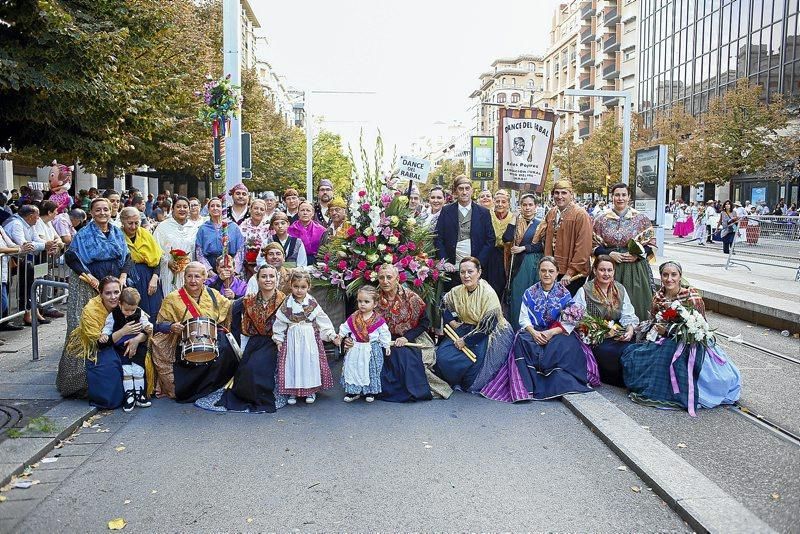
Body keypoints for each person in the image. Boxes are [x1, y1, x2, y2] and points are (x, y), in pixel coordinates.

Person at [621, 261, 742, 415]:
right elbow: (654, 320)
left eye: (673, 275)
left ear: (680, 277)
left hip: (690, 341)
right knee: (635, 355)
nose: (669, 279)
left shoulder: (692, 296)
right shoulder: (658, 296)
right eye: (665, 275)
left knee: (672, 357)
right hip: (662, 338)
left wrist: (670, 331)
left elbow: (700, 326)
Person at [481, 256, 597, 402]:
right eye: (543, 271)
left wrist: (551, 332)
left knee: (568, 342)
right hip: (534, 331)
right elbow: (523, 318)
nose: (546, 274)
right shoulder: (529, 292)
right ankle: (528, 387)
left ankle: (560, 382)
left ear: (557, 273)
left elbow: (569, 321)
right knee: (521, 340)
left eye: (550, 271)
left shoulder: (565, 294)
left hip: (555, 332)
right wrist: (533, 333)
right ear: (539, 272)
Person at [150, 261, 238, 402]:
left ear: (204, 278)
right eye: (189, 276)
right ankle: (192, 389)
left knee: (226, 348)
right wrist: (171, 326)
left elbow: (229, 309)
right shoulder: (172, 298)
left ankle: (214, 386)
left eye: (197, 276)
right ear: (184, 278)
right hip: (183, 344)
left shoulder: (213, 294)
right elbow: (159, 325)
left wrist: (243, 300)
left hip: (210, 341)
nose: (193, 280)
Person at [369, 263, 452, 401]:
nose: (385, 281)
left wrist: (407, 338)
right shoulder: (374, 299)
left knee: (405, 358)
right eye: (381, 277)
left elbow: (424, 323)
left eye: (389, 277)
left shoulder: (411, 297)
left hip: (412, 337)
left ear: (397, 278)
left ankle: (414, 390)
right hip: (383, 339)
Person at [434, 257, 514, 393]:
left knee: (471, 361)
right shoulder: (457, 291)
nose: (466, 276)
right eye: (462, 272)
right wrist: (452, 323)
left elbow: (487, 327)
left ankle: (464, 382)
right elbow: (442, 305)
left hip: (489, 333)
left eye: (470, 272)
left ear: (479, 272)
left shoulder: (488, 293)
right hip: (465, 328)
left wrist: (465, 341)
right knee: (442, 355)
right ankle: (452, 379)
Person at [216, 264, 287, 413]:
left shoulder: (285, 300)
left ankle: (259, 397)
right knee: (245, 369)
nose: (268, 280)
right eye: (264, 276)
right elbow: (235, 318)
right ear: (257, 279)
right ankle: (243, 395)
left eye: (271, 276)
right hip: (254, 341)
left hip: (275, 341)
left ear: (277, 278)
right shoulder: (248, 300)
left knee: (256, 369)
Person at [272, 269, 337, 405]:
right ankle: (292, 392)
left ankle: (310, 390)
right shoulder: (286, 304)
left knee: (309, 363)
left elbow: (322, 319)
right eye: (296, 287)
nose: (299, 290)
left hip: (309, 338)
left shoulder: (312, 304)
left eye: (303, 287)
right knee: (292, 363)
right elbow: (280, 322)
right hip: (292, 338)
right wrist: (278, 338)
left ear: (308, 287)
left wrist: (330, 334)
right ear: (291, 285)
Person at [592, 183, 655, 321]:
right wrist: (609, 254)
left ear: (629, 197)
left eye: (623, 195)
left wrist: (636, 255)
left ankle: (635, 330)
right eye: (617, 195)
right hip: (608, 267)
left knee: (635, 299)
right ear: (612, 197)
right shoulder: (601, 219)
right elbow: (593, 245)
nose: (620, 198)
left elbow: (650, 244)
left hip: (634, 269)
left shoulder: (641, 219)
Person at [572, 256, 638, 387]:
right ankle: (618, 379)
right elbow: (576, 317)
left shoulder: (620, 289)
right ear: (595, 270)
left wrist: (630, 330)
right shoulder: (585, 290)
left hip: (617, 332)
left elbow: (628, 314)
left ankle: (632, 379)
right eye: (602, 270)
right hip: (596, 337)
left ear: (614, 272)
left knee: (632, 349)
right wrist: (597, 330)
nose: (606, 274)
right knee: (611, 353)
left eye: (610, 270)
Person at [434, 176, 495, 290]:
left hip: (475, 268)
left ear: (472, 190)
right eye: (461, 188)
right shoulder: (446, 211)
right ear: (456, 191)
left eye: (467, 188)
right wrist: (444, 261)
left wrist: (478, 263)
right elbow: (438, 238)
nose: (464, 192)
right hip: (452, 267)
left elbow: (490, 239)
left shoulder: (483, 213)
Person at [98, 287, 153, 411]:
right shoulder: (114, 314)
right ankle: (129, 396)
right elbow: (108, 327)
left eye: (132, 310)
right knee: (126, 371)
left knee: (138, 370)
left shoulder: (139, 312)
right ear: (120, 304)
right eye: (126, 310)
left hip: (138, 346)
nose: (129, 313)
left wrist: (149, 327)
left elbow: (146, 323)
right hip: (121, 347)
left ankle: (140, 394)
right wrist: (104, 335)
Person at [335, 285, 390, 403]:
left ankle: (369, 391)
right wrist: (340, 336)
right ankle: (353, 391)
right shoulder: (354, 317)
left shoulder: (378, 320)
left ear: (375, 304)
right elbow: (345, 327)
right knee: (354, 369)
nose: (362, 304)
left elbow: (384, 332)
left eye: (366, 301)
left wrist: (386, 345)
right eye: (360, 301)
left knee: (370, 370)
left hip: (371, 348)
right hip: (356, 348)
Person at [542, 180, 592, 296]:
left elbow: (583, 247)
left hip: (573, 275)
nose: (559, 196)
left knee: (569, 309)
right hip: (553, 270)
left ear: (571, 194)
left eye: (564, 193)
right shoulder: (551, 213)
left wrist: (570, 272)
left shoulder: (580, 215)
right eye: (556, 193)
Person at [503, 194, 543, 329]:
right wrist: (514, 219)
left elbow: (542, 245)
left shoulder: (541, 224)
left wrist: (524, 248)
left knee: (533, 298)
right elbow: (506, 239)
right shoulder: (516, 222)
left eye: (530, 205)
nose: (527, 208)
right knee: (517, 298)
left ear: (536, 207)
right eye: (524, 205)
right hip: (517, 265)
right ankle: (516, 329)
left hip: (533, 264)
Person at [117, 207, 162, 318]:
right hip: (128, 277)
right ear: (122, 222)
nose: (133, 227)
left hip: (148, 277)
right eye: (130, 223)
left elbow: (157, 257)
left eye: (136, 223)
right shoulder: (117, 236)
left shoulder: (146, 235)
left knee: (152, 311)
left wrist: (155, 278)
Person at [152, 196, 198, 296]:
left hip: (189, 272)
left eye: (185, 207)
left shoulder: (194, 228)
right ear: (173, 209)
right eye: (178, 206)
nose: (182, 209)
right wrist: (168, 262)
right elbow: (155, 249)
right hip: (169, 271)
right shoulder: (163, 227)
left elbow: (196, 251)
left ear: (189, 209)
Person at [195, 197, 245, 274]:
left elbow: (240, 250)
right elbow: (199, 252)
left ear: (222, 209)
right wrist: (209, 271)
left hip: (230, 267)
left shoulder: (233, 227)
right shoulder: (203, 228)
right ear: (208, 209)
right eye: (212, 206)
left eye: (218, 206)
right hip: (210, 267)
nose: (215, 208)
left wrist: (234, 271)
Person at [287, 201, 326, 265]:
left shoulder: (321, 230)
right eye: (302, 210)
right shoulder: (290, 229)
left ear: (313, 213)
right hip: (295, 262)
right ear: (298, 213)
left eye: (308, 210)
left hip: (316, 262)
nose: (305, 213)